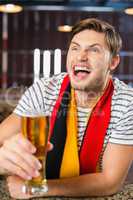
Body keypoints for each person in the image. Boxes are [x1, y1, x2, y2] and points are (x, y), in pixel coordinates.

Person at [0, 18, 133, 199]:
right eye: (75, 48)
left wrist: (41, 189)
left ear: (113, 62)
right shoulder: (45, 90)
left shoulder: (127, 103)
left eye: (94, 50)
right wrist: (4, 162)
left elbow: (111, 181)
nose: (81, 56)